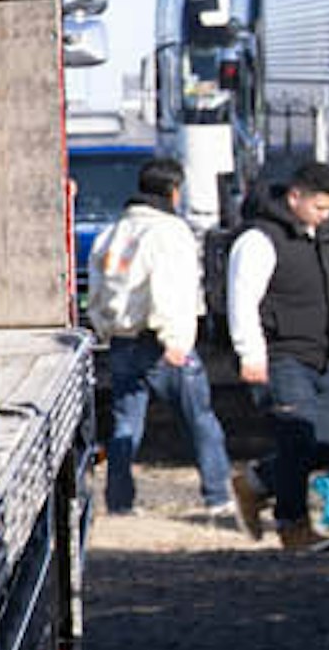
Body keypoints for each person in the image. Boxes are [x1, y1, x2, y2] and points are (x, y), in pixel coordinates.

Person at [225, 159, 329, 554]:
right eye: (319, 207)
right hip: (281, 354)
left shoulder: (323, 237)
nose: (325, 216)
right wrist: (250, 353)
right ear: (295, 196)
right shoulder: (259, 240)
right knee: (296, 437)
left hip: (324, 354)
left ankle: (255, 483)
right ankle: (294, 526)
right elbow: (242, 300)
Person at [86, 156, 231, 518]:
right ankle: (217, 495)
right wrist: (176, 338)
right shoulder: (169, 232)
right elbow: (170, 288)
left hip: (121, 339)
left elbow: (98, 288)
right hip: (160, 340)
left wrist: (103, 326)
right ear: (173, 191)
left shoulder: (114, 231)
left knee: (125, 424)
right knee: (200, 419)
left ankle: (120, 501)